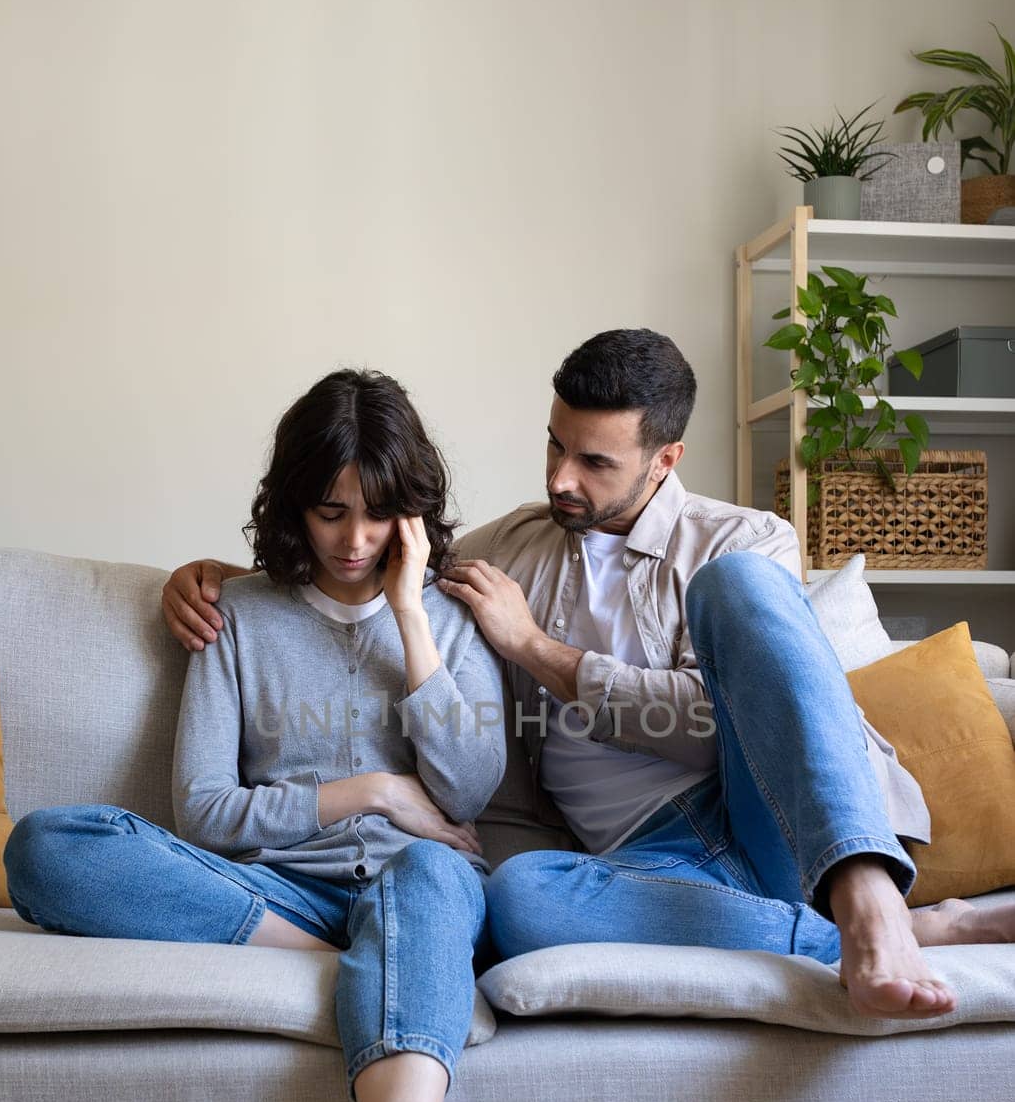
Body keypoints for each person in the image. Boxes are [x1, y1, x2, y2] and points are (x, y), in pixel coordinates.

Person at [161, 330, 1015, 1033]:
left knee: (742, 594)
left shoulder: (743, 542)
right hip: (643, 868)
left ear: (663, 457)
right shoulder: (519, 544)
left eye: (595, 462)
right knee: (519, 899)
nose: (561, 477)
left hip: (769, 816)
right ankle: (902, 934)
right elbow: (370, 555)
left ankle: (867, 906)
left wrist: (535, 649)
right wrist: (221, 576)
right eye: (554, 445)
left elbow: (716, 724)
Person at [4, 369, 506, 1102]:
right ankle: (340, 955)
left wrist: (409, 617)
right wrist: (373, 790)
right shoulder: (238, 617)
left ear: (410, 512)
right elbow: (202, 810)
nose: (353, 541)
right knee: (48, 845)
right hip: (283, 894)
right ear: (293, 506)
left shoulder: (449, 621)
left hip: (419, 883)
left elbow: (470, 790)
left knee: (434, 871)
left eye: (377, 514)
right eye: (329, 512)